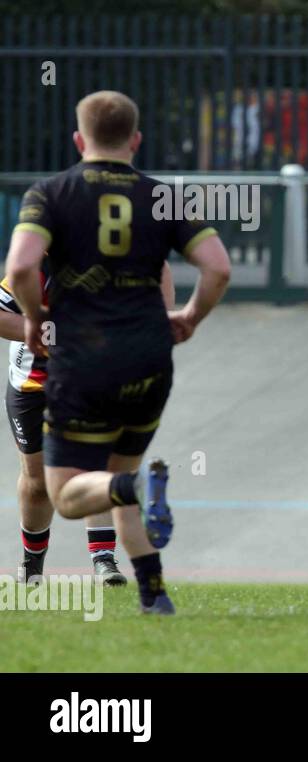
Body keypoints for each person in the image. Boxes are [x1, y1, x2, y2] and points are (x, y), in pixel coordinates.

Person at [4, 90, 231, 614]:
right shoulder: (166, 197)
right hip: (149, 359)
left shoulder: (50, 193)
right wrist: (190, 317)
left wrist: (36, 319)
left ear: (79, 139)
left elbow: (19, 269)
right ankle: (153, 595)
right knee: (123, 468)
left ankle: (133, 490)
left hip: (81, 361)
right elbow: (217, 268)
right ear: (136, 140)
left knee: (69, 493)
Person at [0, 261, 174, 586]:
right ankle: (32, 564)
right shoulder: (43, 264)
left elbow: (160, 273)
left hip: (92, 383)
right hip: (35, 385)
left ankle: (104, 560)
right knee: (38, 483)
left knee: (97, 467)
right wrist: (55, 332)